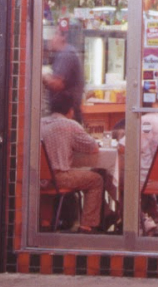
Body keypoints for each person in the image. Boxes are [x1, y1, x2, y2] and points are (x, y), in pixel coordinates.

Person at [41, 89, 112, 233]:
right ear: (71, 110)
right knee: (96, 179)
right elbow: (93, 148)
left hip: (38, 178)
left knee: (84, 176)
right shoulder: (69, 125)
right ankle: (87, 225)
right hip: (59, 178)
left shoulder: (39, 123)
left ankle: (44, 222)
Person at [41, 19, 84, 124]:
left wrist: (41, 74)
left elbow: (57, 84)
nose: (52, 38)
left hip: (67, 117)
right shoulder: (66, 53)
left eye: (55, 34)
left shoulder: (66, 54)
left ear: (63, 37)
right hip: (66, 115)